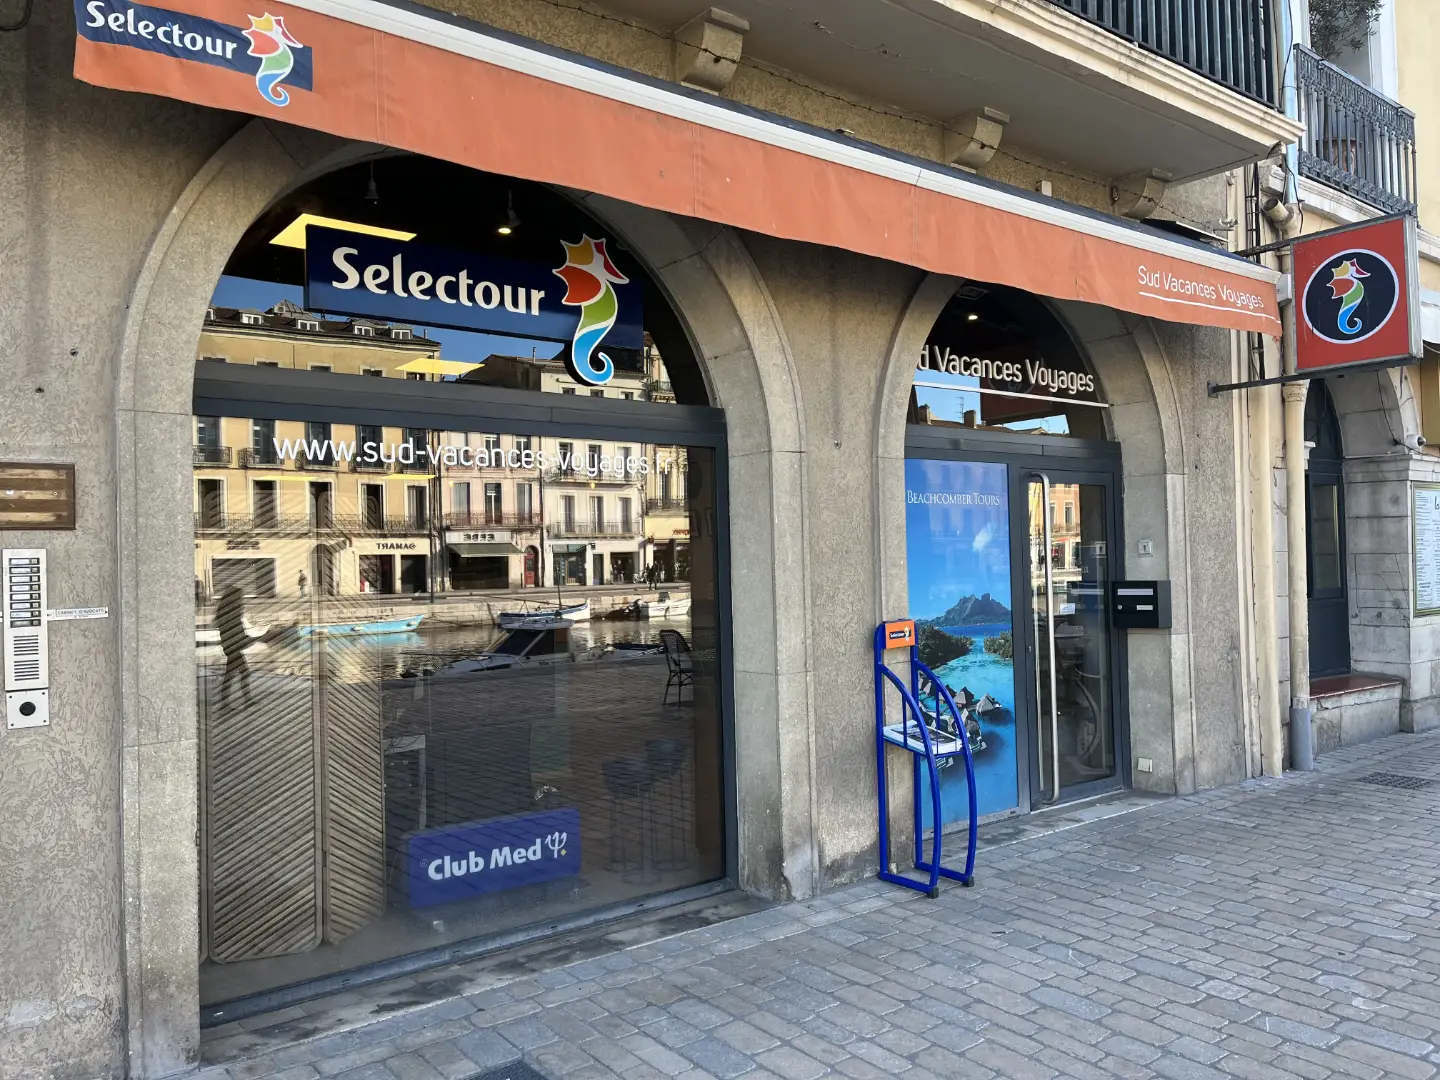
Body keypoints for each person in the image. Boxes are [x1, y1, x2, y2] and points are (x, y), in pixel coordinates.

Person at [215, 585, 253, 709]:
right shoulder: (232, 612)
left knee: (233, 674)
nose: (242, 599)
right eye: (240, 597)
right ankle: (244, 700)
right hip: (233, 647)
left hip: (229, 646)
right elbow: (236, 629)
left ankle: (230, 702)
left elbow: (231, 629)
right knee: (242, 673)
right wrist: (245, 639)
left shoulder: (225, 611)